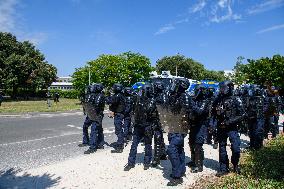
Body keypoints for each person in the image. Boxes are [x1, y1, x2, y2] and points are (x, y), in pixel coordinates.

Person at [156, 78, 191, 186]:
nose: (173, 85)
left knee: (171, 149)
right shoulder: (174, 96)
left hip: (179, 129)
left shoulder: (184, 96)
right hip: (173, 128)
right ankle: (181, 170)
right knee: (179, 150)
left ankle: (177, 177)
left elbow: (187, 112)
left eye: (175, 84)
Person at [212, 80, 245, 176]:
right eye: (221, 88)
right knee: (222, 148)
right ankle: (223, 168)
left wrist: (229, 122)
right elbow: (213, 114)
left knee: (236, 148)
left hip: (232, 128)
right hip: (221, 127)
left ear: (230, 88)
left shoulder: (236, 99)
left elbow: (242, 114)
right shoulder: (218, 99)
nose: (222, 90)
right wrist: (212, 125)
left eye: (224, 88)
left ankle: (235, 164)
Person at [124, 84, 156, 171]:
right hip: (138, 125)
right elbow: (132, 111)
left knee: (148, 145)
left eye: (143, 90)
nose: (141, 92)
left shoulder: (152, 101)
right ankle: (131, 163)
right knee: (134, 145)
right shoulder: (137, 100)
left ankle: (147, 162)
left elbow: (154, 115)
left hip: (147, 126)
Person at [187, 84, 209, 173]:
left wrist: (191, 103)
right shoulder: (194, 100)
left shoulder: (205, 101)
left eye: (197, 90)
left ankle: (199, 165)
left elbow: (200, 111)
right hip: (193, 125)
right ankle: (193, 161)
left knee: (198, 145)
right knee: (191, 143)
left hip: (200, 125)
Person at [78, 83, 105, 154]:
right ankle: (86, 141)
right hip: (91, 114)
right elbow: (88, 104)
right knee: (85, 126)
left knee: (94, 130)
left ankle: (93, 147)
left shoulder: (100, 96)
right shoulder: (92, 95)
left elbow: (97, 106)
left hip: (97, 115)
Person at [151, 81, 167, 167]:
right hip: (157, 119)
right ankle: (163, 153)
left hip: (160, 119)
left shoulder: (162, 96)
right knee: (159, 137)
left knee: (157, 137)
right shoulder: (158, 95)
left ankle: (156, 158)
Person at [107, 83, 126, 153]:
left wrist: (108, 95)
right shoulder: (121, 95)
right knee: (119, 129)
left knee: (118, 130)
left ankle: (120, 146)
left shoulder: (117, 95)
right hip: (119, 114)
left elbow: (110, 101)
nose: (113, 89)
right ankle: (121, 143)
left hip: (118, 115)